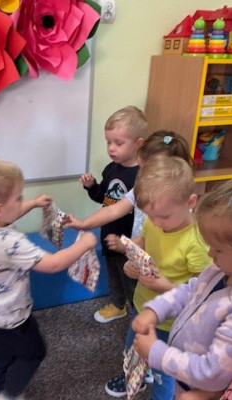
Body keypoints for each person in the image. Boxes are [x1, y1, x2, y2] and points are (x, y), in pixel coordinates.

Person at [0, 159, 97, 400]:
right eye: (19, 198)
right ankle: (8, 395)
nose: (21, 201)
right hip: (12, 317)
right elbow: (53, 264)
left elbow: (7, 216)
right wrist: (84, 244)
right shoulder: (11, 243)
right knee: (34, 352)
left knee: (1, 351)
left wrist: (32, 204)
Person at [105, 155, 211, 400]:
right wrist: (131, 260)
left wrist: (165, 286)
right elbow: (144, 244)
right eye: (151, 216)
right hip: (142, 306)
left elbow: (203, 293)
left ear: (190, 202)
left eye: (164, 216)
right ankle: (136, 379)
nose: (156, 222)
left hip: (170, 323)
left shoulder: (195, 242)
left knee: (164, 373)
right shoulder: (155, 223)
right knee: (132, 350)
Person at [133, 177, 232, 400]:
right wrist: (155, 310)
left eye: (218, 249)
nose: (210, 254)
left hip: (196, 387)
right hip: (182, 374)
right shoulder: (219, 270)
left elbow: (210, 372)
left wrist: (157, 353)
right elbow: (190, 290)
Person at [65, 130, 192, 250]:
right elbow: (113, 210)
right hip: (140, 253)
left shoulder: (179, 204)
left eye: (147, 172)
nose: (141, 175)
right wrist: (84, 223)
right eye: (141, 169)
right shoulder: (142, 188)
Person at [80, 105, 148, 324]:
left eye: (118, 143)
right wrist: (92, 187)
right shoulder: (111, 168)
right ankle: (118, 305)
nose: (111, 148)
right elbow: (104, 198)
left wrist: (132, 243)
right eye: (108, 142)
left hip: (129, 241)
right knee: (114, 276)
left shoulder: (143, 176)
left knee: (131, 279)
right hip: (109, 234)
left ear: (138, 143)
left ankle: (139, 314)